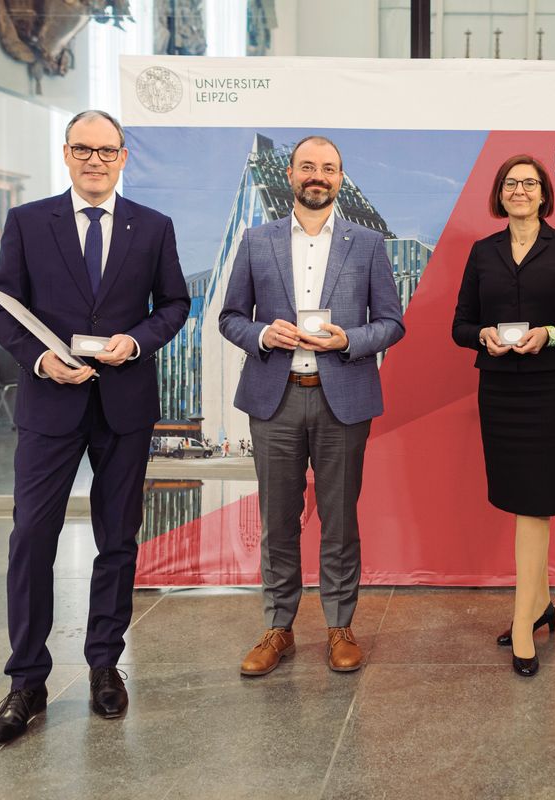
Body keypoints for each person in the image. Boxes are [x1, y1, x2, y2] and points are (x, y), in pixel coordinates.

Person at [0, 109, 189, 746]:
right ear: (66, 154)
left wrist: (137, 341)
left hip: (123, 404)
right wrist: (39, 358)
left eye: (107, 150)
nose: (95, 160)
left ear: (123, 157)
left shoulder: (152, 227)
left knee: (117, 541)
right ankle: (26, 680)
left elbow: (176, 303)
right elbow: (0, 306)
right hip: (51, 405)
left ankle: (104, 664)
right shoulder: (27, 222)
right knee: (31, 541)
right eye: (83, 149)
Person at [219, 135, 405, 676]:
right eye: (307, 167)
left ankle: (339, 627)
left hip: (342, 400)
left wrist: (347, 340)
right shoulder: (256, 240)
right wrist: (262, 335)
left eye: (327, 168)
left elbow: (392, 323)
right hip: (273, 402)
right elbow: (230, 316)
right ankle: (278, 627)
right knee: (278, 522)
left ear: (340, 179)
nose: (316, 176)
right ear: (291, 175)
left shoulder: (367, 244)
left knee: (340, 520)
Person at [452, 155, 555, 677]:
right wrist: (483, 336)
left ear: (544, 195)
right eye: (511, 183)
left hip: (553, 390)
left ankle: (523, 625)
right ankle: (540, 605)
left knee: (536, 504)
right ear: (500, 194)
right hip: (499, 391)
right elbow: (460, 324)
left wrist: (553, 333)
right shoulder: (482, 252)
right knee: (522, 500)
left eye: (530, 183)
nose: (520, 190)